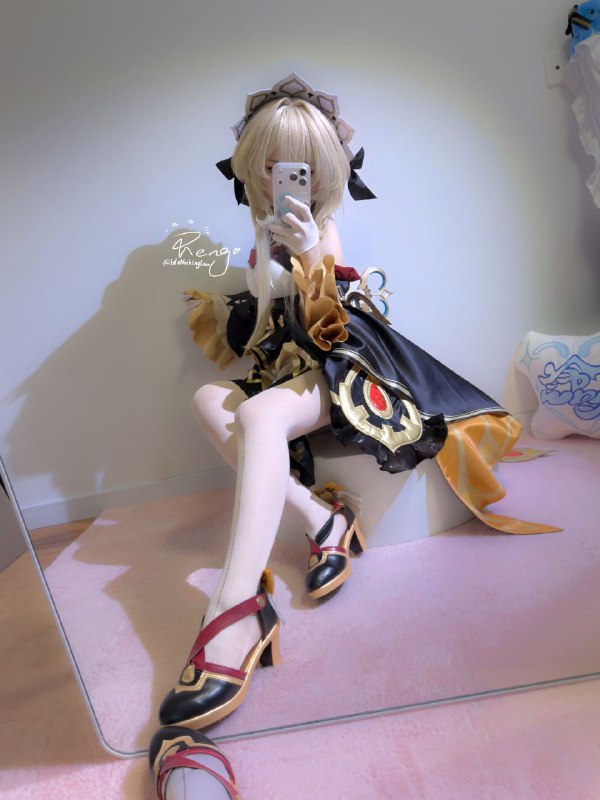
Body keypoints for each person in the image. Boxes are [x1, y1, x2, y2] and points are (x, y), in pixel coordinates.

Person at [157, 72, 561, 737]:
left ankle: (234, 609)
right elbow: (264, 318)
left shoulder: (324, 229)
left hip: (339, 360)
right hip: (288, 365)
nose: (284, 179)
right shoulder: (262, 233)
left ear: (322, 171)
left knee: (258, 415)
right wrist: (269, 260)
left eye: (299, 168)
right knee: (207, 398)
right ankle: (323, 519)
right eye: (272, 166)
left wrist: (307, 253)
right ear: (255, 169)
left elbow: (328, 325)